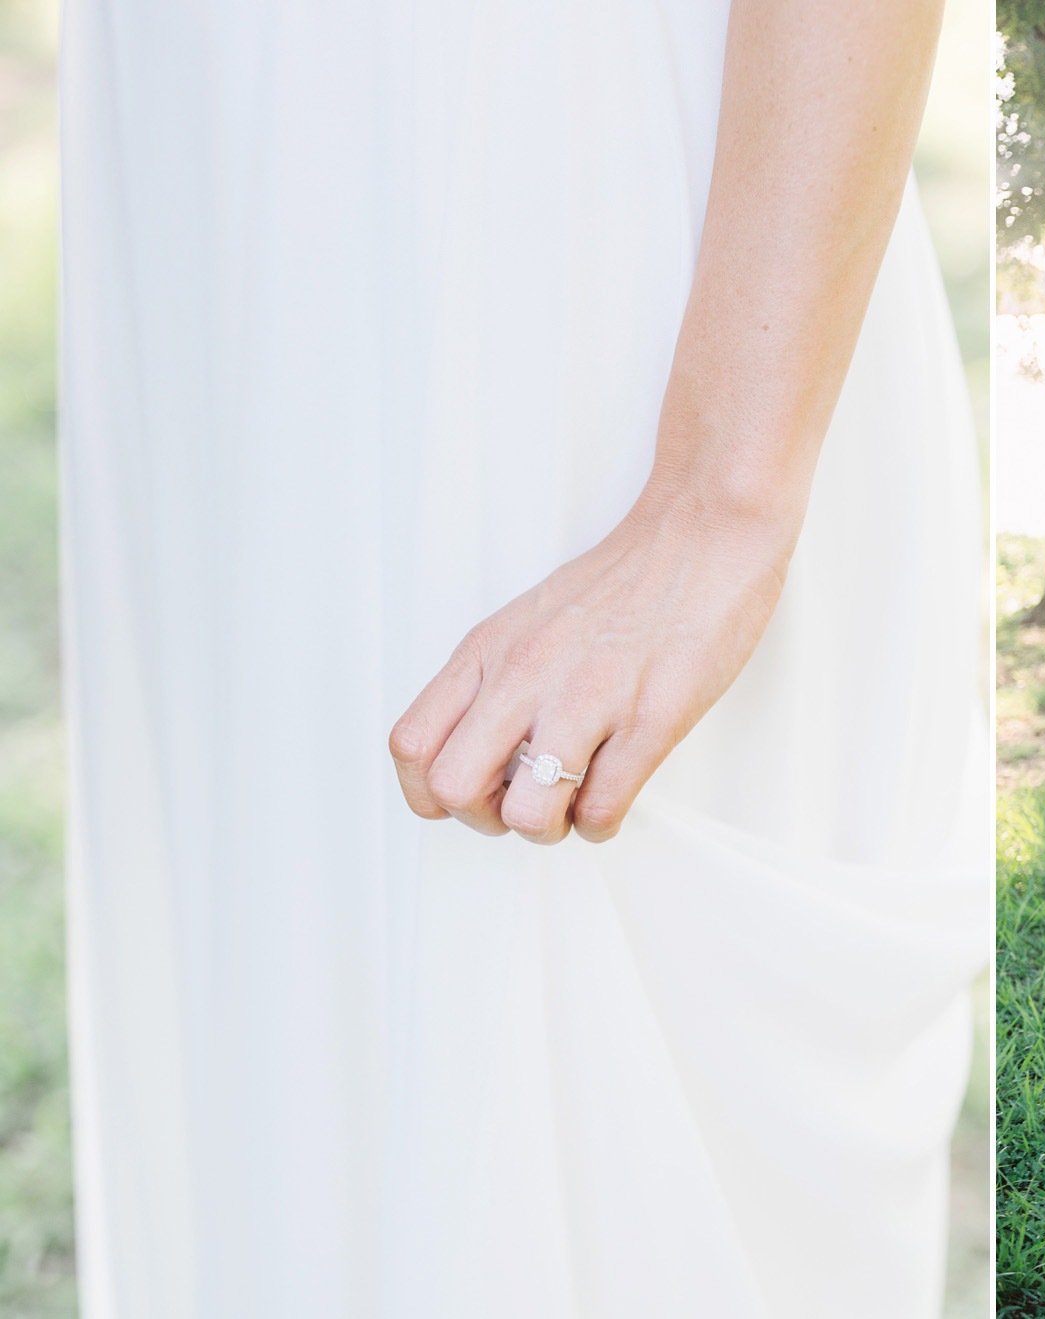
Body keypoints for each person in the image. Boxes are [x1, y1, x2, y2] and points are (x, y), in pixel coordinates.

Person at [59, 2, 986, 1315]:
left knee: (551, 1091)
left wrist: (715, 492)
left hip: (541, 205)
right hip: (222, 205)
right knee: (298, 1059)